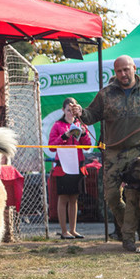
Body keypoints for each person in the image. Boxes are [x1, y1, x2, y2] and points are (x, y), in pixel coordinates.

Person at [76, 55, 140, 251]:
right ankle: (130, 227)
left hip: (139, 151)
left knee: (132, 197)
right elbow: (91, 116)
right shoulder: (105, 94)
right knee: (112, 196)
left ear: (134, 68)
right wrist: (80, 112)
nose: (123, 74)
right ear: (115, 72)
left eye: (126, 69)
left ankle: (128, 238)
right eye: (119, 71)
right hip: (113, 152)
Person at [48, 97, 91, 239]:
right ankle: (64, 231)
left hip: (77, 164)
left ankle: (73, 230)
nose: (71, 113)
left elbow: (87, 146)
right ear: (63, 110)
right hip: (63, 165)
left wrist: (83, 133)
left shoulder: (80, 124)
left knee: (74, 198)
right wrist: (64, 136)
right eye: (68, 110)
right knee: (63, 197)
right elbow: (51, 147)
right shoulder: (57, 125)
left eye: (73, 110)